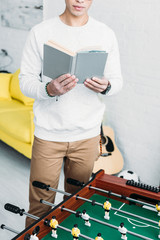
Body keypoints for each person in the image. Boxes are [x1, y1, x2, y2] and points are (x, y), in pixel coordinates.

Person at [19, 0, 123, 227]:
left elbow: (117, 83)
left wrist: (105, 86)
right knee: (40, 206)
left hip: (87, 136)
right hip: (49, 136)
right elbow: (25, 81)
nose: (80, 0)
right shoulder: (40, 32)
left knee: (78, 204)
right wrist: (48, 89)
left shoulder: (105, 33)